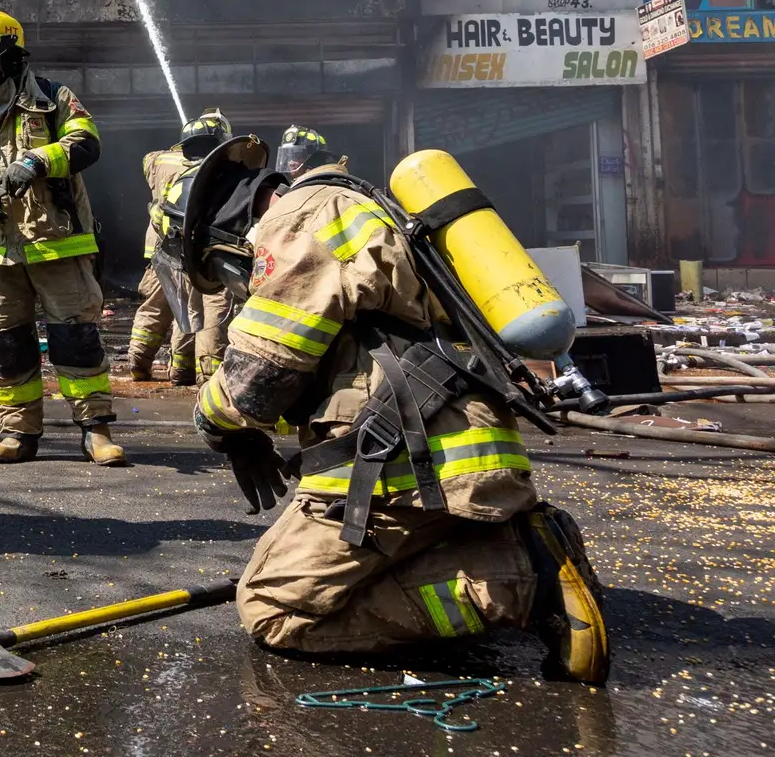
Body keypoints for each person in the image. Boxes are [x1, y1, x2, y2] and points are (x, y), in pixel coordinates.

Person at [173, 137, 610, 683]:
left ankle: (519, 579)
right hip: (455, 447)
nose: (240, 284)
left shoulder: (301, 214)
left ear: (225, 234)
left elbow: (267, 365)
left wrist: (214, 420)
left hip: (405, 465)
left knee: (276, 611)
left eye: (225, 270)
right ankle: (505, 547)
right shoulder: (367, 207)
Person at [0, 11, 123, 466]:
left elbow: (87, 141)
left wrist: (38, 161)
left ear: (8, 56)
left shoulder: (52, 96)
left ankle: (95, 430)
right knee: (7, 343)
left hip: (56, 241)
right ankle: (18, 433)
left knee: (75, 338)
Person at [129, 108, 231, 385]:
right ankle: (199, 374)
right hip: (199, 254)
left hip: (161, 251)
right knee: (205, 312)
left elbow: (149, 163)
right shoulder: (213, 171)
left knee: (161, 308)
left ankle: (139, 362)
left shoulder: (159, 161)